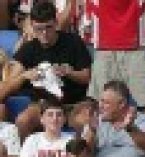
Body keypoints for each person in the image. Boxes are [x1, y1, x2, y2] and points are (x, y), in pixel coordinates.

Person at [0, 1, 92, 137]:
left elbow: (86, 77)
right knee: (23, 121)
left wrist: (70, 72)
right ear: (32, 26)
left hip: (74, 103)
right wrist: (24, 75)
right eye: (38, 29)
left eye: (48, 27)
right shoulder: (28, 49)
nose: (44, 33)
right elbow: (7, 86)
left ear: (55, 23)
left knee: (86, 123)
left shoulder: (73, 42)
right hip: (43, 105)